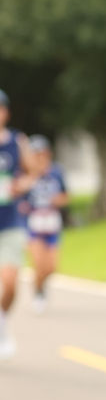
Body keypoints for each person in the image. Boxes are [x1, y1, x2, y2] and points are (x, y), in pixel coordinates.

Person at [0, 89, 33, 358]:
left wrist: (20, 185)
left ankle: (2, 323)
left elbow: (32, 173)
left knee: (10, 284)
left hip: (9, 222)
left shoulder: (18, 141)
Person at [21, 135, 69, 312]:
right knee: (39, 264)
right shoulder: (26, 174)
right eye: (36, 154)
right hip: (33, 226)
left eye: (42, 153)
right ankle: (38, 292)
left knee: (51, 267)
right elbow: (18, 197)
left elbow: (66, 196)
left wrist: (58, 200)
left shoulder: (56, 172)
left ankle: (40, 285)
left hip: (52, 224)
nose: (40, 157)